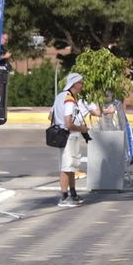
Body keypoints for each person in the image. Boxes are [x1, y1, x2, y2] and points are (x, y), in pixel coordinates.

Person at [53, 72, 90, 207]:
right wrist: (82, 129)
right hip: (68, 136)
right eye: (81, 82)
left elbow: (50, 115)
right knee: (66, 167)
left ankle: (73, 194)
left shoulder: (60, 97)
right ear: (75, 84)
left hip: (64, 135)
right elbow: (68, 123)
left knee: (71, 166)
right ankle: (64, 197)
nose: (82, 85)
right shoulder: (69, 100)